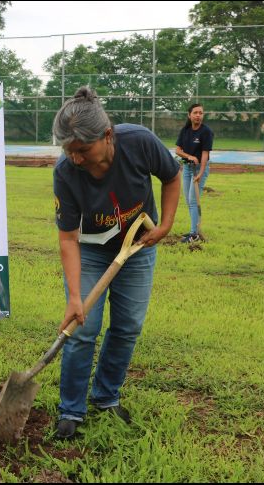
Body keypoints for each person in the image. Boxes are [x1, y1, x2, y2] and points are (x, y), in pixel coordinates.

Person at [51, 87, 181, 440]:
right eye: (69, 151)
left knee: (127, 327)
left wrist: (166, 224)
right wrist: (74, 296)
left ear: (107, 135)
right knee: (82, 330)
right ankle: (71, 411)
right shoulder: (66, 172)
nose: (76, 158)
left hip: (137, 246)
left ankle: (106, 397)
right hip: (92, 250)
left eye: (83, 150)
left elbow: (171, 176)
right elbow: (67, 238)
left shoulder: (139, 142)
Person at [175, 103, 214, 243]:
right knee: (188, 201)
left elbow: (205, 154)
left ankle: (194, 234)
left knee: (193, 200)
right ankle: (194, 231)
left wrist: (201, 173)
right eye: (195, 112)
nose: (198, 115)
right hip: (186, 168)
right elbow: (177, 150)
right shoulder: (185, 130)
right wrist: (189, 156)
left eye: (201, 113)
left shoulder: (206, 132)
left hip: (199, 169)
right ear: (189, 115)